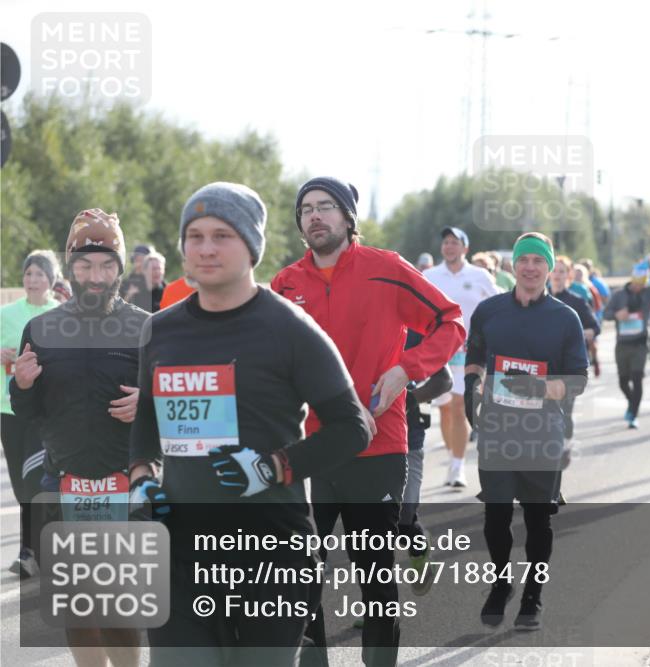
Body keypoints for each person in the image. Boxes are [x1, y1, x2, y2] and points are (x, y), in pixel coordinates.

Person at [128, 182, 372, 667]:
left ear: (251, 245)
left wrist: (272, 468)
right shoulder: (160, 329)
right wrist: (141, 478)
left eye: (222, 235)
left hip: (272, 551)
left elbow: (353, 426)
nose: (206, 248)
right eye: (194, 236)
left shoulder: (289, 328)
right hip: (182, 551)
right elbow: (146, 422)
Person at [271, 177, 464, 666]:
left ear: (348, 217)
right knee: (300, 575)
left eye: (327, 207)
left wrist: (407, 370)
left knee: (375, 575)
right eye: (307, 209)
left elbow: (451, 320)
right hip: (308, 448)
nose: (315, 216)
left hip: (376, 448)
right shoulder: (285, 284)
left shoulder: (385, 269)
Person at [11, 209, 147, 667]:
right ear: (70, 268)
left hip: (125, 483)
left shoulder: (145, 327)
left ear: (120, 269)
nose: (95, 276)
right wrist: (22, 386)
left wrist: (146, 403)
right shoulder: (43, 329)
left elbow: (174, 406)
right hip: (63, 483)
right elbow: (28, 412)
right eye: (85, 265)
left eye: (106, 265)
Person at [463, 232, 588, 630]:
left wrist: (541, 388)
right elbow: (475, 353)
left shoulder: (565, 317)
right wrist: (472, 383)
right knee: (495, 516)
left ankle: (534, 592)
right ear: (513, 266)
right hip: (497, 427)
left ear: (549, 267)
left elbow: (579, 379)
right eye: (523, 260)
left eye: (538, 260)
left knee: (537, 519)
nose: (530, 267)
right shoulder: (489, 310)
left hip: (543, 430)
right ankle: (502, 583)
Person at [422, 227, 499, 488]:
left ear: (465, 248)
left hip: (470, 353)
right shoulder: (429, 276)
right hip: (438, 353)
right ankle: (452, 454)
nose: (449, 246)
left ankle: (457, 467)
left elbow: (498, 307)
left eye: (455, 242)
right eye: (446, 242)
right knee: (443, 409)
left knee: (457, 406)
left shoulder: (479, 276)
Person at [1, 250, 61, 577]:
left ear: (51, 280)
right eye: (28, 274)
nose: (33, 280)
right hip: (8, 409)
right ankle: (33, 547)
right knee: (19, 484)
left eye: (39, 274)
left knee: (36, 480)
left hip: (44, 413)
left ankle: (32, 549)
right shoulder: (6, 313)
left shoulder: (59, 314)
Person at [399, 332, 453, 596]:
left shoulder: (414, 333)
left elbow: (444, 380)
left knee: (403, 519)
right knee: (370, 525)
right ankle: (376, 603)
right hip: (366, 441)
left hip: (410, 440)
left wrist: (410, 398)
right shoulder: (353, 325)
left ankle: (418, 544)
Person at [603, 257, 650, 429]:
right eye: (638, 284)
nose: (640, 287)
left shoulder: (648, 293)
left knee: (637, 378)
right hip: (622, 344)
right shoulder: (619, 295)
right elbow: (606, 313)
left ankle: (633, 413)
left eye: (643, 284)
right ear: (633, 280)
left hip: (640, 344)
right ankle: (632, 403)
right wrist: (617, 315)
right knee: (623, 381)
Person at [549, 255, 600, 445]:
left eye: (562, 272)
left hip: (569, 364)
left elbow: (595, 327)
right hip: (545, 364)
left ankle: (565, 443)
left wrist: (586, 332)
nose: (557, 275)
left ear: (568, 275)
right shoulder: (538, 299)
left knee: (565, 408)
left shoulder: (576, 301)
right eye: (554, 271)